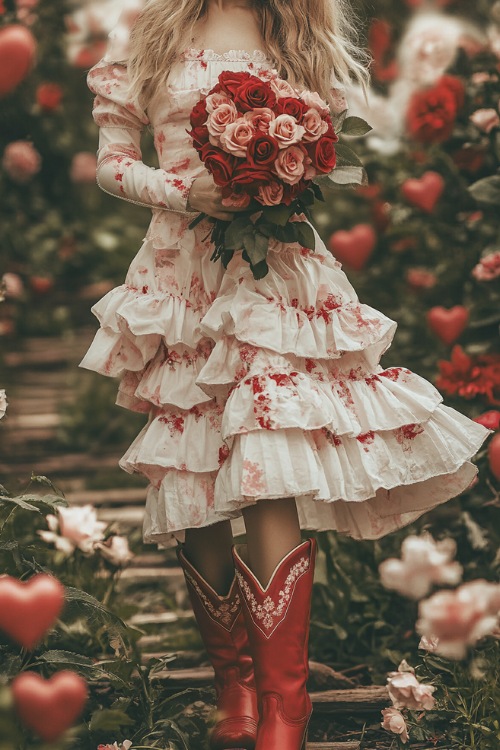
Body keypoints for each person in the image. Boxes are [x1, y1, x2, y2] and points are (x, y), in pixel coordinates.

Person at [78, 1, 492, 748]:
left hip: (276, 272)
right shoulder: (146, 30)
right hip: (181, 274)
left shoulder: (296, 31)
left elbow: (334, 157)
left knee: (267, 451)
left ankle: (283, 707)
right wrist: (187, 191)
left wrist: (283, 175)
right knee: (193, 464)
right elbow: (113, 163)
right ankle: (234, 692)